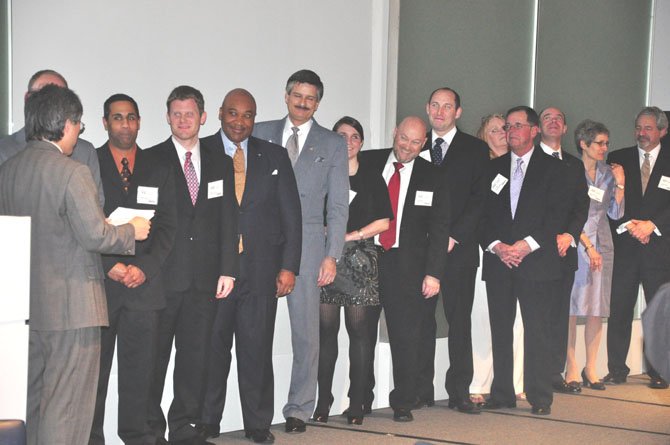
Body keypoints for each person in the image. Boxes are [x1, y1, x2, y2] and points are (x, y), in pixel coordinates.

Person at [0, 84, 150, 445]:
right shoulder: (72, 171)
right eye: (79, 125)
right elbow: (96, 235)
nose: (79, 132)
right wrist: (133, 230)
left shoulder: (9, 170)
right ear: (67, 124)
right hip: (74, 309)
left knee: (34, 404)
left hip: (27, 307)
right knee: (67, 409)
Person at [196, 89, 301, 444]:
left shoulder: (272, 155)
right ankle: (207, 420)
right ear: (220, 114)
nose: (240, 122)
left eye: (248, 115)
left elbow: (291, 214)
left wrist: (289, 266)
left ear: (255, 118)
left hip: (260, 272)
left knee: (256, 349)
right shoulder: (202, 153)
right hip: (214, 273)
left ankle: (258, 423)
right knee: (213, 348)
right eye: (233, 113)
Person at [252, 69, 349, 433]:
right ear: (286, 95)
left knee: (306, 334)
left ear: (318, 102)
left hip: (310, 245)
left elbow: (338, 205)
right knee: (254, 330)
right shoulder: (260, 132)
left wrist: (332, 255)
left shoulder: (332, 143)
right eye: (298, 95)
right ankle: (255, 411)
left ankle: (299, 408)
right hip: (262, 242)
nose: (303, 102)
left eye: (310, 98)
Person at [147, 86, 238, 445]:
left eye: (190, 113)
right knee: (154, 361)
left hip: (205, 280)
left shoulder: (220, 162)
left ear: (202, 117)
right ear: (168, 117)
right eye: (176, 113)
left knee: (195, 360)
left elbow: (229, 218)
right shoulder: (152, 159)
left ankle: (185, 430)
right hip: (162, 279)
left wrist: (228, 268)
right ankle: (150, 431)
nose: (183, 120)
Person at [89, 94, 177, 445]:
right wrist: (110, 265)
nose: (124, 124)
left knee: (140, 377)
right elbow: (83, 224)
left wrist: (145, 268)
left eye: (130, 118)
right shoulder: (88, 163)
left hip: (144, 288)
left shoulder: (158, 166)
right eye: (117, 118)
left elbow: (169, 226)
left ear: (139, 122)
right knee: (94, 377)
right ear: (105, 122)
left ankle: (137, 437)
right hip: (101, 288)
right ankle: (91, 438)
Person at [480, 106, 569, 416]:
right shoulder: (493, 168)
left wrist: (525, 245)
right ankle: (502, 392)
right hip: (499, 261)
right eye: (508, 126)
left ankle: (540, 396)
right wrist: (497, 246)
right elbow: (483, 215)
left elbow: (557, 215)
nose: (511, 131)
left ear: (534, 131)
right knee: (501, 330)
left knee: (538, 331)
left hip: (537, 262)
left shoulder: (554, 168)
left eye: (518, 125)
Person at [361, 116, 450, 422]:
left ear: (424, 143)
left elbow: (440, 229)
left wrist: (434, 272)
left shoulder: (433, 176)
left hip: (406, 265)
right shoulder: (367, 162)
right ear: (394, 133)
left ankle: (402, 402)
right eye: (403, 139)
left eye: (415, 142)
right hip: (366, 259)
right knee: (362, 335)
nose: (408, 148)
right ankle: (359, 401)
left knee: (405, 337)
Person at [313, 116, 392, 425]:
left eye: (354, 136)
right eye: (341, 135)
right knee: (325, 337)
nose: (348, 141)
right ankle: (323, 402)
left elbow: (384, 222)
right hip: (326, 260)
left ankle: (357, 402)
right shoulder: (320, 176)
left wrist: (349, 236)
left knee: (361, 337)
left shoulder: (373, 178)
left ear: (361, 142)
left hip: (361, 262)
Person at [415, 87, 489, 414]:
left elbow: (479, 199)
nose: (440, 112)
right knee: (420, 322)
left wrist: (453, 235)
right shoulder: (415, 144)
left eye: (447, 106)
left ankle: (459, 390)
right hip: (420, 251)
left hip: (459, 251)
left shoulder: (475, 149)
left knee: (459, 322)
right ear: (427, 108)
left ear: (458, 112)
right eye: (435, 105)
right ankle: (419, 389)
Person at [606, 106, 670, 390]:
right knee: (619, 308)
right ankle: (617, 369)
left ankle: (658, 370)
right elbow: (610, 199)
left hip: (659, 248)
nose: (642, 133)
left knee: (658, 312)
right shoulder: (617, 158)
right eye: (639, 128)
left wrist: (652, 225)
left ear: (662, 131)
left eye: (648, 128)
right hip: (626, 246)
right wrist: (633, 225)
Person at [565, 119, 625, 390]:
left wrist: (621, 185)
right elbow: (567, 215)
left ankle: (591, 367)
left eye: (606, 143)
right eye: (599, 143)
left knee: (596, 309)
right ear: (583, 144)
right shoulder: (569, 170)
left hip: (603, 244)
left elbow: (615, 213)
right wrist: (586, 246)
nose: (604, 148)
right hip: (576, 243)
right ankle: (572, 367)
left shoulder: (608, 173)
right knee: (570, 308)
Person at [470, 114, 525, 403]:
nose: (502, 133)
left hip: (521, 253)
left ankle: (515, 382)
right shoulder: (483, 169)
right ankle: (480, 383)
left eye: (505, 127)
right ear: (484, 136)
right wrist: (497, 245)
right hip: (488, 250)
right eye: (494, 129)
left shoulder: (526, 166)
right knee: (485, 319)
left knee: (517, 322)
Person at [537, 107, 589, 395]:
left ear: (565, 128)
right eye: (547, 118)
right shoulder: (529, 161)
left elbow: (581, 205)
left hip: (564, 251)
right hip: (534, 252)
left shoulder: (573, 164)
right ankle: (532, 373)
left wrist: (569, 235)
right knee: (537, 315)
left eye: (559, 118)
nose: (554, 122)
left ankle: (553, 373)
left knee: (558, 314)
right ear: (537, 128)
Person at [0, 69, 104, 205]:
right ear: (27, 99)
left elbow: (95, 207)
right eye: (44, 95)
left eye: (60, 98)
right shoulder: (4, 150)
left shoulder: (84, 151)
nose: (50, 103)